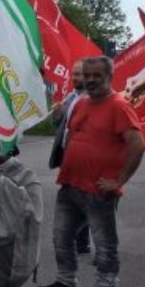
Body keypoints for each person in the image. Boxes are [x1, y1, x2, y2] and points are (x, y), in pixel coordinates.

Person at [37, 56, 145, 287]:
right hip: (71, 184)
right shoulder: (81, 103)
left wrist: (119, 180)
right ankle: (66, 281)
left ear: (109, 77)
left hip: (99, 189)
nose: (91, 80)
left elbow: (138, 144)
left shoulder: (119, 105)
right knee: (61, 236)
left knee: (104, 242)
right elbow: (72, 134)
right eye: (88, 75)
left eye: (97, 75)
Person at [49, 59, 92, 254]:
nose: (75, 77)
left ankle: (80, 240)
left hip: (84, 157)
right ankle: (80, 242)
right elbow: (57, 126)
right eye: (73, 74)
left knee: (85, 201)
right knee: (74, 199)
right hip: (67, 156)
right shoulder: (70, 97)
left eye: (79, 74)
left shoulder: (92, 99)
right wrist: (57, 113)